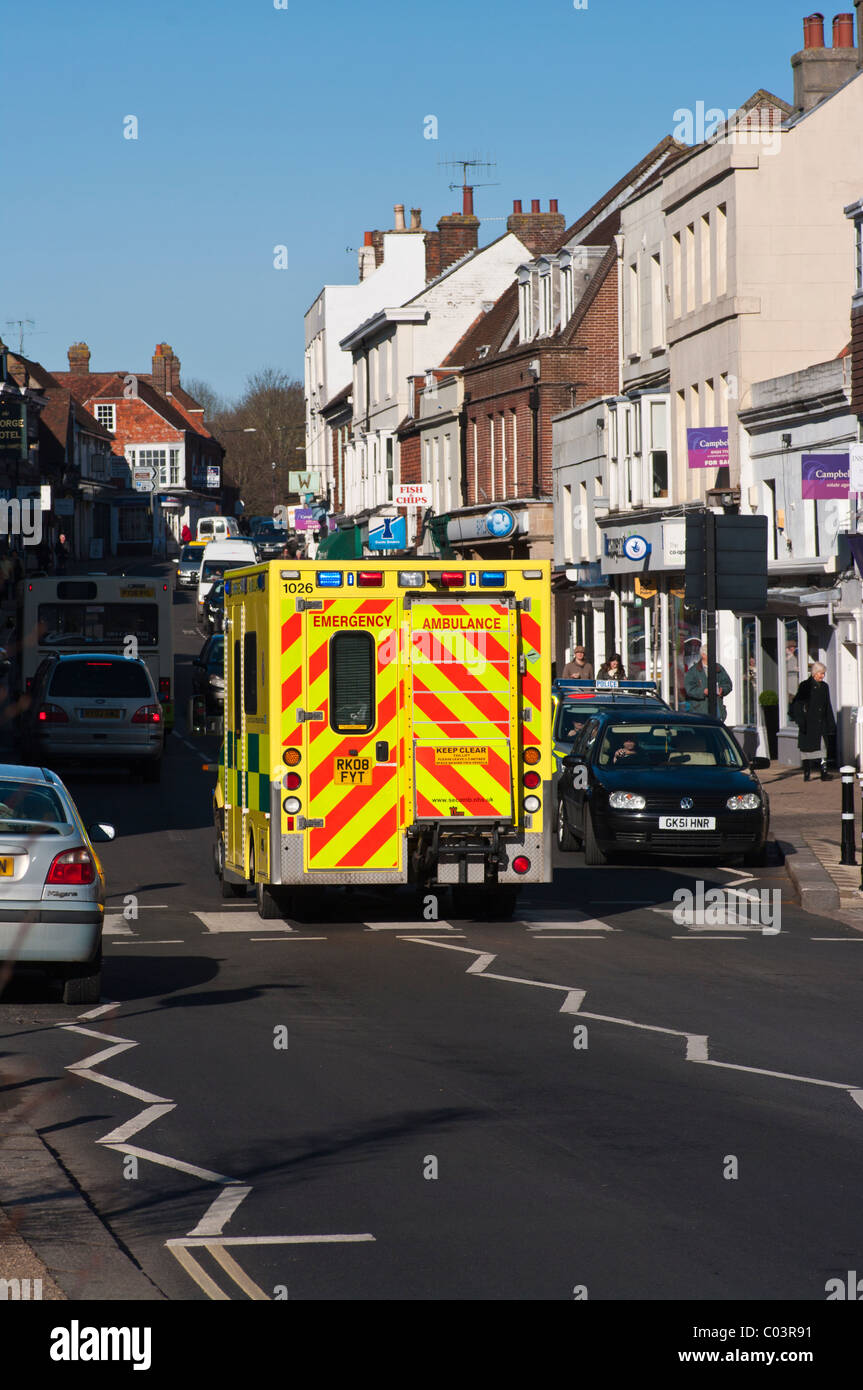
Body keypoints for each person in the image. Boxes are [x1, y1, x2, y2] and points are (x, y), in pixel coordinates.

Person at [789, 662, 835, 781]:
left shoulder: (825, 687)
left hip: (821, 723)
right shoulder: (805, 686)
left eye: (823, 674)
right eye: (820, 673)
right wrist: (801, 721)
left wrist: (831, 724)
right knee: (807, 750)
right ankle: (807, 772)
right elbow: (798, 704)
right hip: (808, 723)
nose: (822, 676)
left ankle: (824, 772)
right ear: (814, 673)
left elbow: (827, 706)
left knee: (823, 747)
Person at [683, 648, 733, 720]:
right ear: (703, 655)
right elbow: (689, 689)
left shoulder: (718, 668)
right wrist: (703, 691)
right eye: (710, 654)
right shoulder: (693, 671)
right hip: (700, 712)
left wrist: (722, 690)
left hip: (717, 709)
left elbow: (728, 684)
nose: (713, 656)